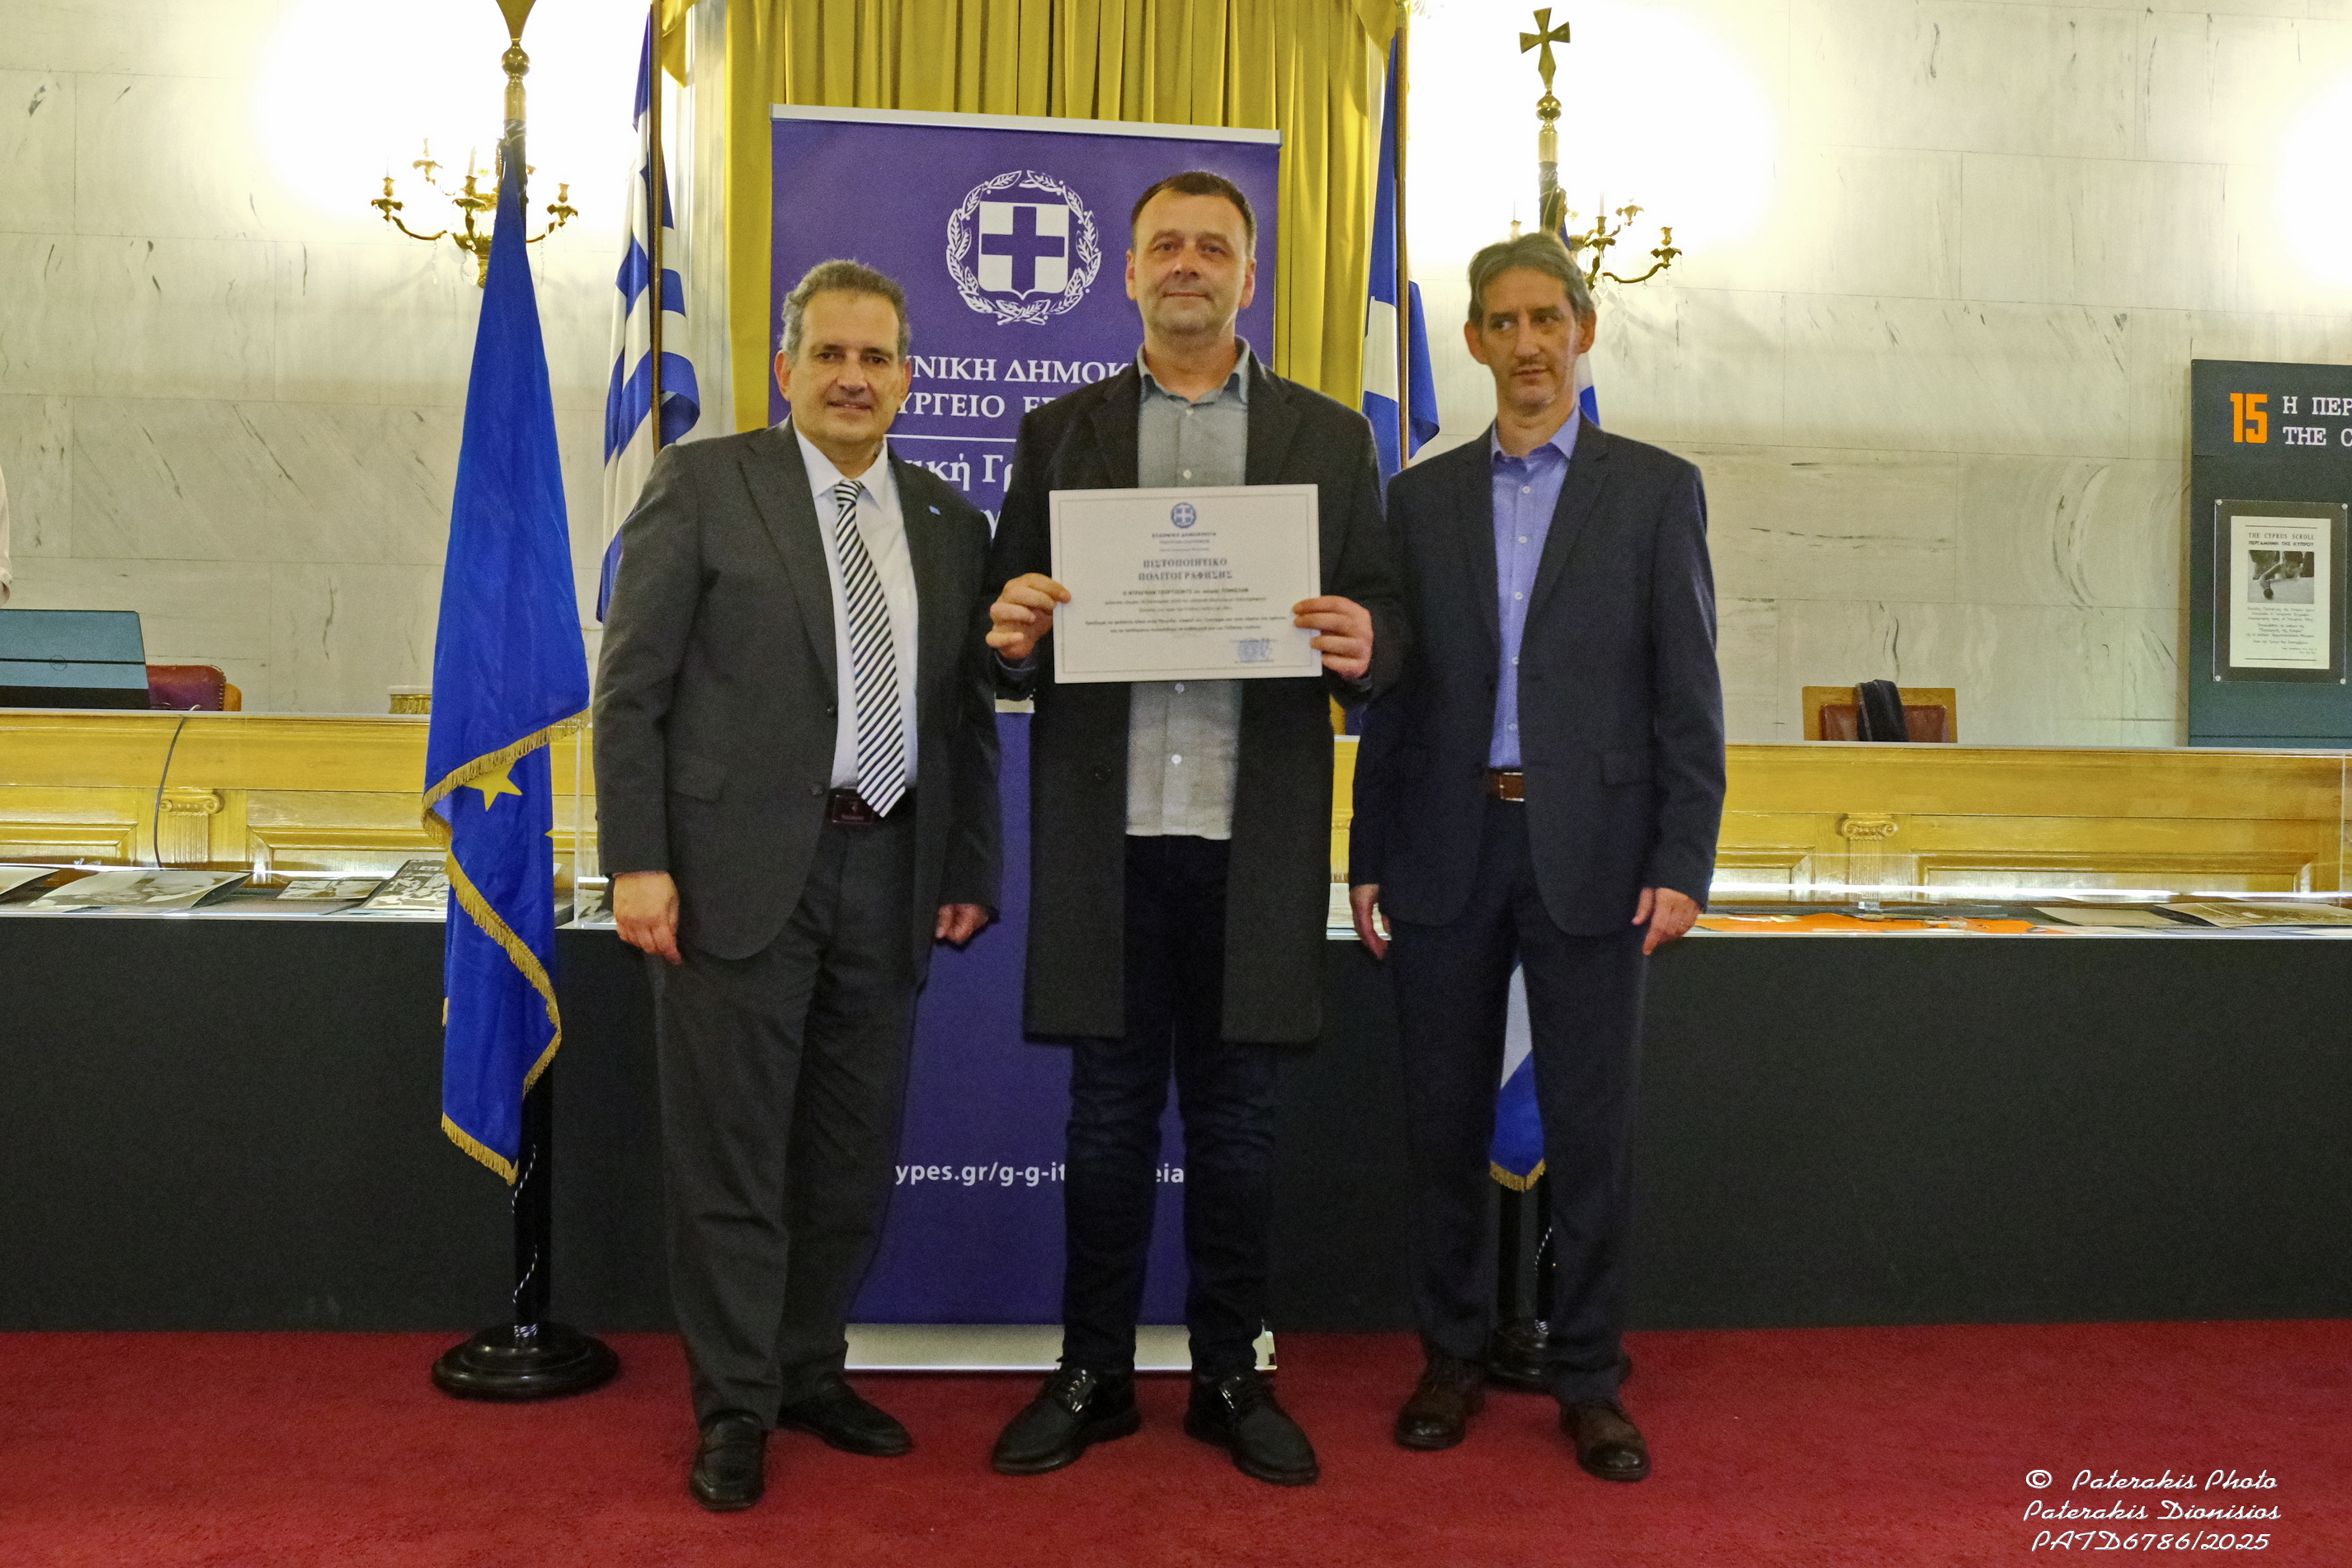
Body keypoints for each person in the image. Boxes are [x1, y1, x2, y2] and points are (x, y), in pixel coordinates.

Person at [983, 170, 1403, 1488]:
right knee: (1105, 1123)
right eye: (1164, 243)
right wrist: (1012, 634)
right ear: (1126, 271)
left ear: (1248, 276)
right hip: (1106, 836)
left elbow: (1381, 621)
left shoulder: (1331, 438)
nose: (1187, 263)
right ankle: (1094, 1372)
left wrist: (1367, 640)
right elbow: (1003, 625)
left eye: (1212, 247)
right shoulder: (1058, 433)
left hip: (1250, 833)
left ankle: (1231, 1373)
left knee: (1239, 1129)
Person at [594, 259, 1002, 1513]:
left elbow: (963, 715)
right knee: (732, 1159)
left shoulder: (949, 521)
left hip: (891, 871)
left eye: (876, 358)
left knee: (846, 1154)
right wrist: (638, 859)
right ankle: (734, 1405)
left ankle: (809, 1368)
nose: (852, 378)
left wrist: (969, 862)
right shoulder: (706, 485)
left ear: (908, 378)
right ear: (786, 370)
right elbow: (632, 691)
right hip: (731, 879)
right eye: (829, 354)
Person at [1347, 231, 1724, 1481]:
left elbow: (1689, 694)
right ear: (1471, 342)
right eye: (1502, 324)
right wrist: (1366, 850)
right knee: (1440, 1123)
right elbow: (1394, 698)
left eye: (1546, 321)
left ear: (1583, 331)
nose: (1527, 345)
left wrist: (1684, 857)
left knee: (1594, 1133)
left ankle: (1592, 1377)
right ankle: (1450, 1357)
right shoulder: (1420, 500)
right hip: (1444, 847)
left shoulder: (1655, 490)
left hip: (1597, 855)